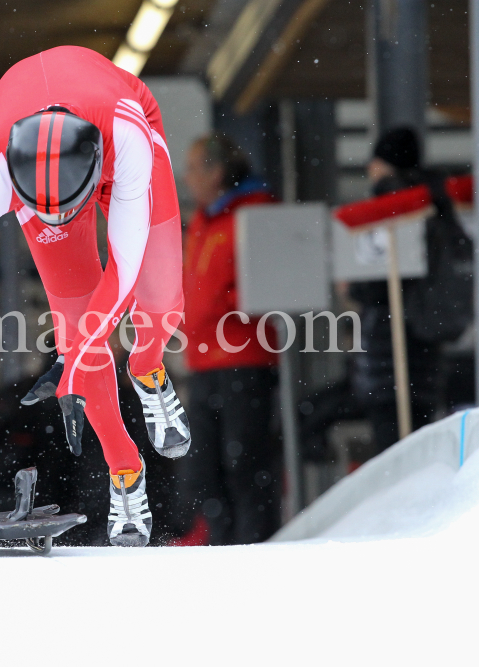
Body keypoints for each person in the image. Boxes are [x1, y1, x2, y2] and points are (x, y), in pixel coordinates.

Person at [0, 45, 190, 547]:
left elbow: (124, 272)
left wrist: (80, 353)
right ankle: (126, 472)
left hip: (124, 125)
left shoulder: (127, 139)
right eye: (46, 212)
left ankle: (148, 367)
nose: (59, 220)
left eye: (65, 210)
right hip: (44, 170)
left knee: (162, 297)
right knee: (77, 332)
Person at [178, 133, 280, 546]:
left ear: (216, 172)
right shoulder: (205, 219)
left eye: (192, 168)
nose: (186, 179)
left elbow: (269, 282)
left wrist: (226, 306)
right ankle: (222, 549)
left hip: (243, 358)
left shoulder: (254, 214)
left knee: (244, 464)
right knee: (207, 468)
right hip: (203, 361)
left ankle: (254, 546)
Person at [348, 127, 472, 451]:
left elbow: (377, 285)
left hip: (390, 356)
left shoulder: (393, 205)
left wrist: (351, 287)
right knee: (418, 446)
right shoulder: (438, 203)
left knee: (394, 455)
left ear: (383, 164)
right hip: (429, 350)